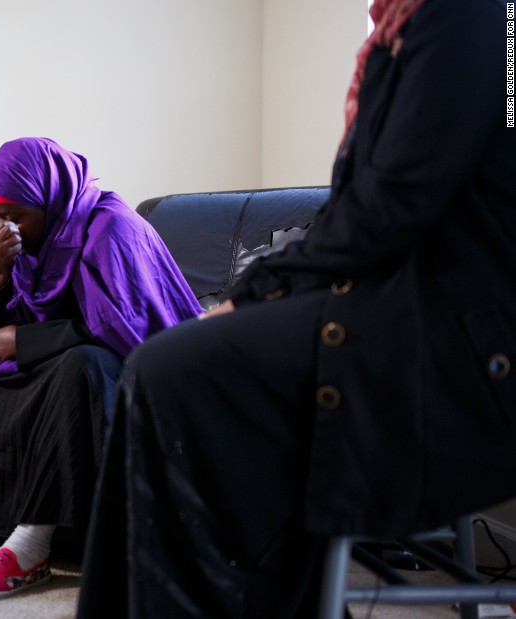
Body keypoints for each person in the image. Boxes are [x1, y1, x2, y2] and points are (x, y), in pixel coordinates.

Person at [77, 0, 516, 616]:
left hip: (455, 331)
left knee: (169, 370)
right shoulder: (407, 29)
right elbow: (356, 206)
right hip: (403, 302)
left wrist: (250, 296)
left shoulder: (469, 15)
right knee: (164, 366)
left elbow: (395, 201)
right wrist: (257, 292)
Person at [0, 137, 202, 599]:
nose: (6, 228)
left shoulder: (114, 228)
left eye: (16, 216)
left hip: (117, 369)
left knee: (80, 364)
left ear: (50, 199)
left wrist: (26, 341)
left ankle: (31, 548)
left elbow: (124, 329)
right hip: (52, 361)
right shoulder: (23, 244)